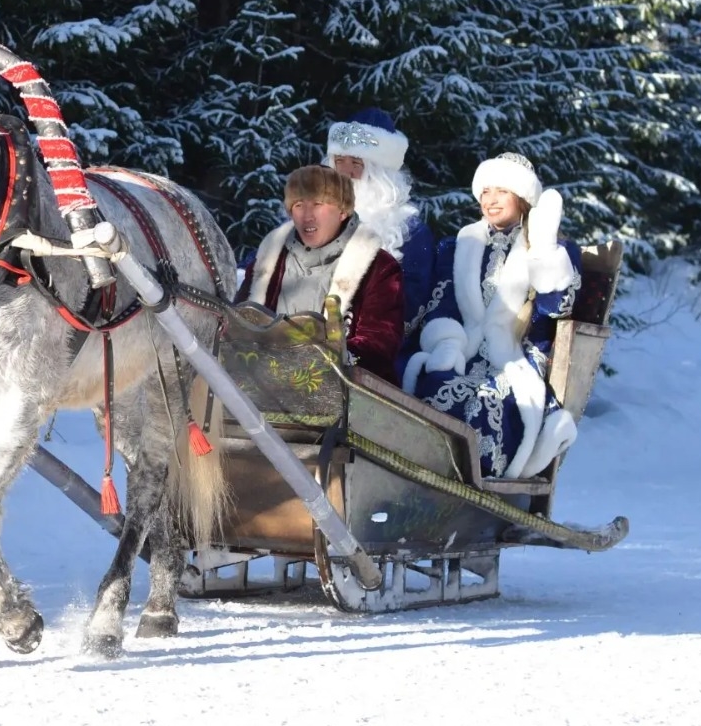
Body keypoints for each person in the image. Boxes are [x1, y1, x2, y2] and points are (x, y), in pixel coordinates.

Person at [401, 152, 581, 479]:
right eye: (485, 192)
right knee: (436, 384)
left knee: (487, 400)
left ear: (523, 198)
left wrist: (543, 251)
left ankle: (480, 482)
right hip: (465, 350)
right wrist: (447, 343)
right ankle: (425, 478)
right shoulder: (459, 245)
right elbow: (442, 303)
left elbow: (556, 308)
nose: (491, 200)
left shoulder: (557, 250)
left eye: (502, 191)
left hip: (517, 357)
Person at [236, 165, 405, 385]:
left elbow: (380, 345)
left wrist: (336, 355)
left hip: (347, 397)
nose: (307, 216)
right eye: (298, 205)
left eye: (317, 204)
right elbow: (237, 324)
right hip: (263, 389)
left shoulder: (379, 267)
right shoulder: (269, 260)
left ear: (343, 211)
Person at [325, 108, 436, 374]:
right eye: (340, 161)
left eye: (357, 163)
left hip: (368, 352)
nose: (347, 173)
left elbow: (407, 310)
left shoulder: (410, 232)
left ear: (381, 173)